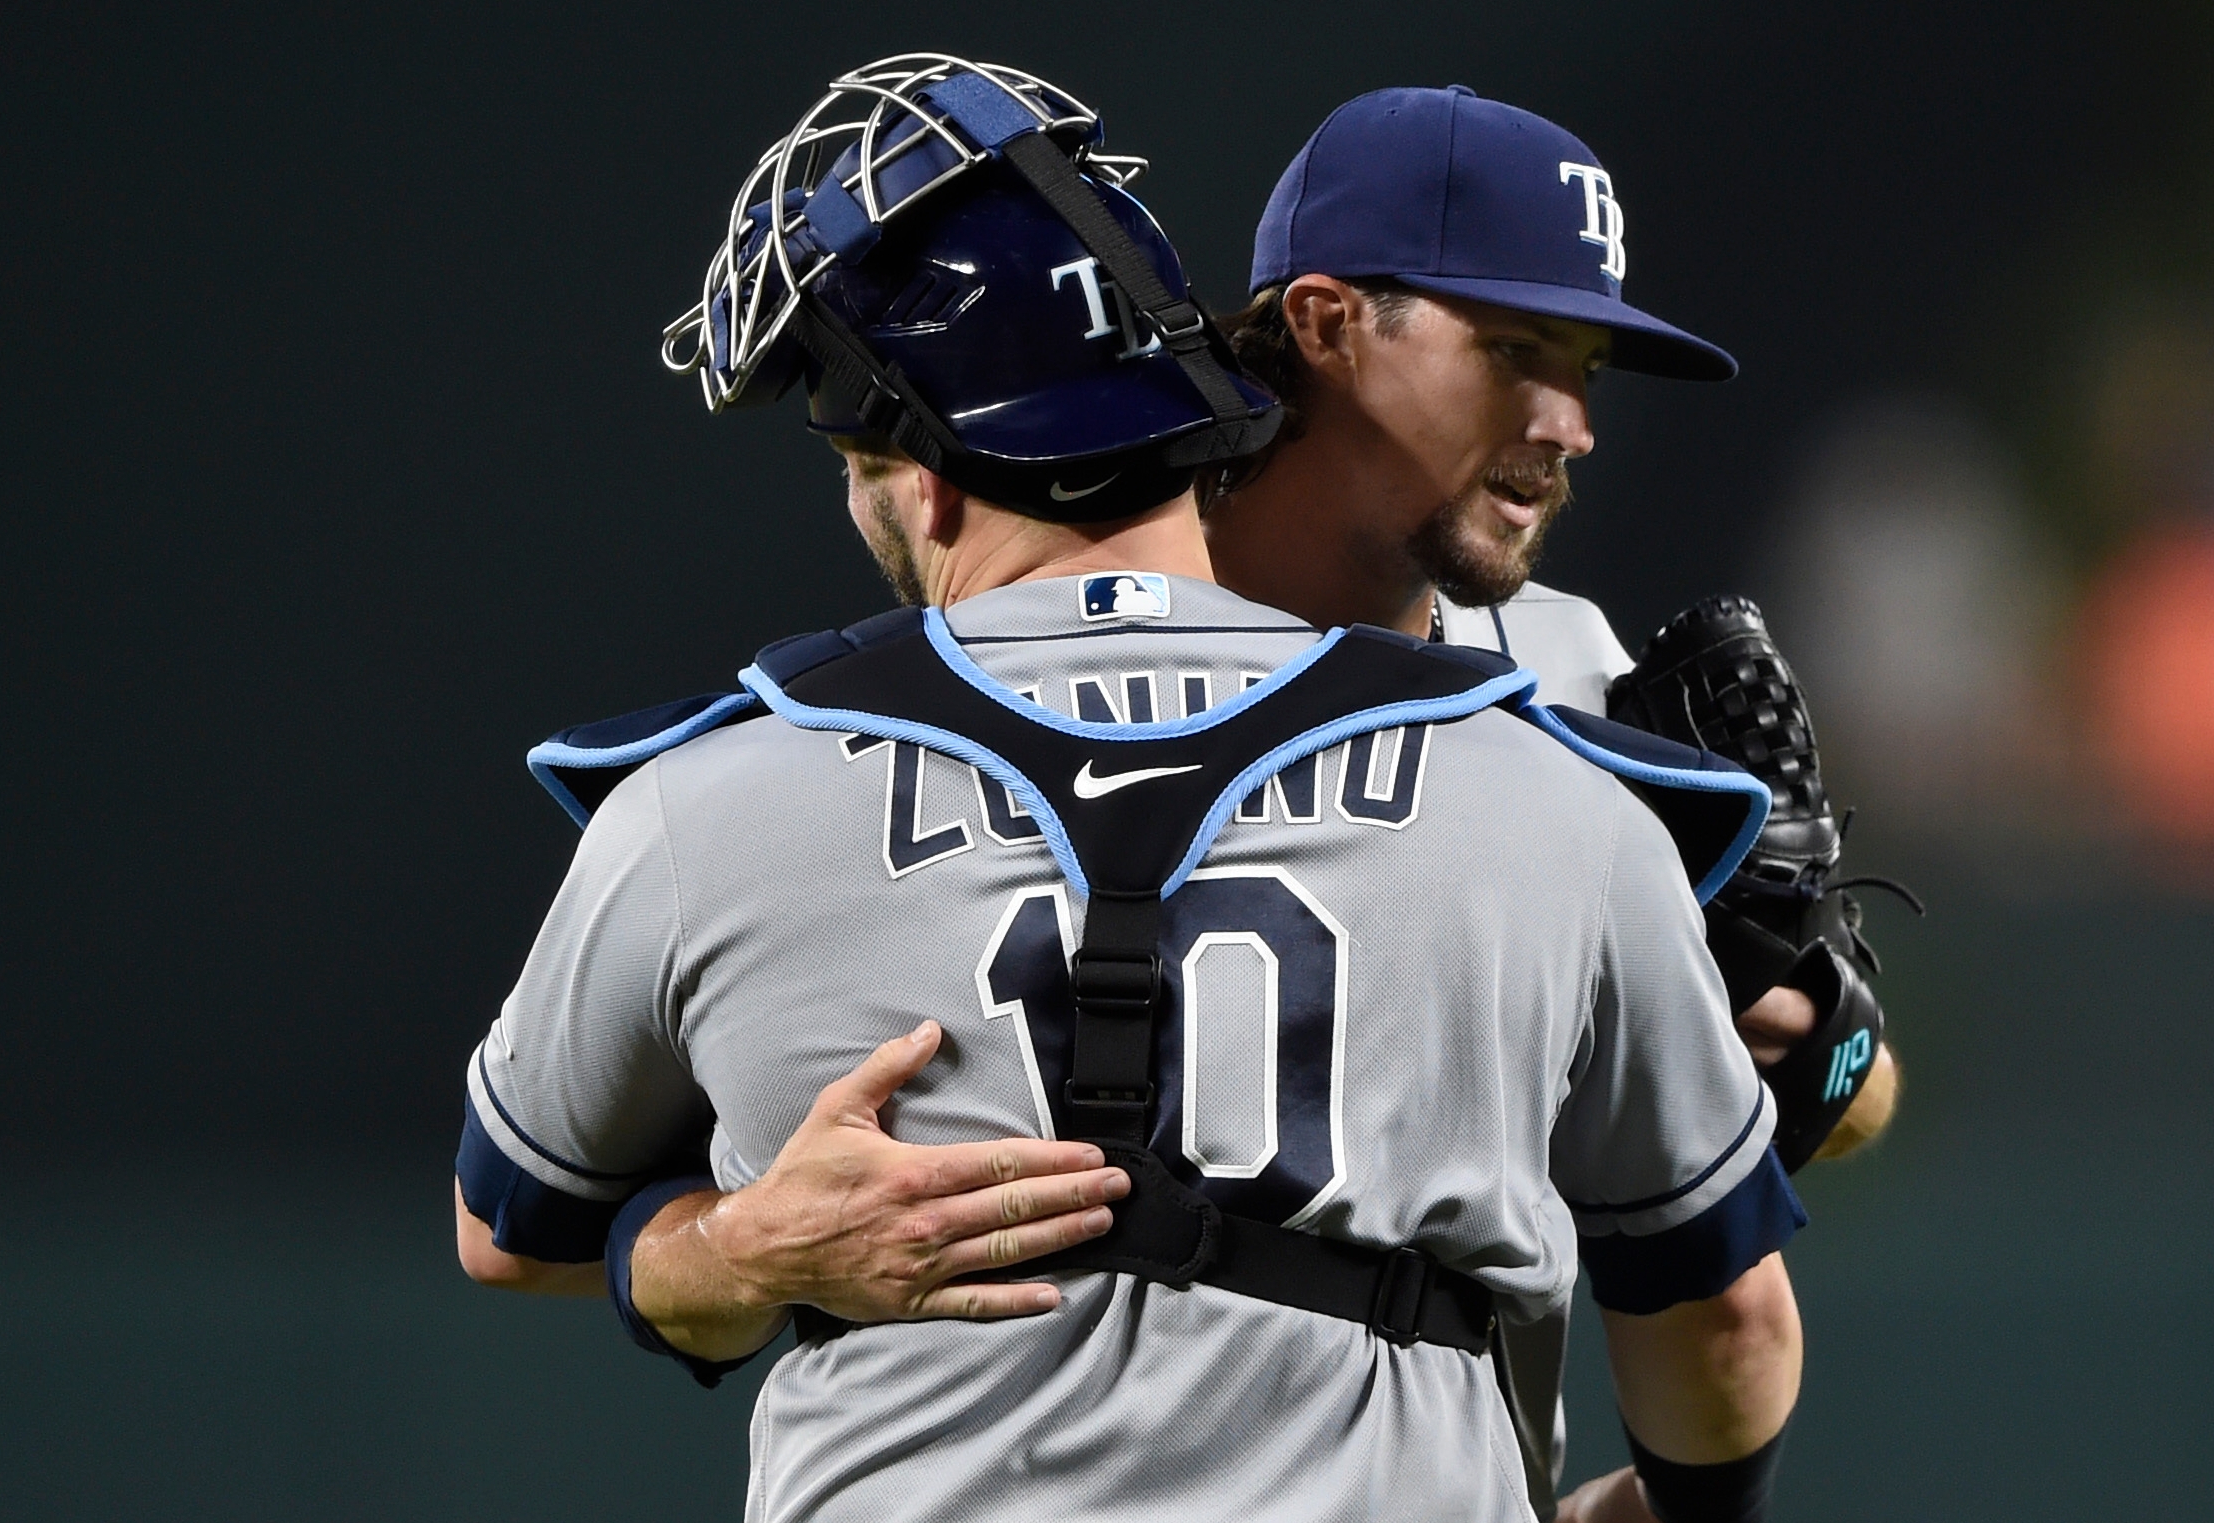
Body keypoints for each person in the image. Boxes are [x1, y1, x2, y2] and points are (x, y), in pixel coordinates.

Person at [457, 57, 1801, 1523]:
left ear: (926, 479)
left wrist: (738, 1257)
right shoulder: (1564, 794)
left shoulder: (707, 805)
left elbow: (512, 1228)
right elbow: (1723, 1317)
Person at [1200, 86, 1908, 1516]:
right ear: (1329, 322)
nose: (1568, 423)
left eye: (1585, 365)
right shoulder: (1096, 642)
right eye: (1514, 349)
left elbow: (1852, 1101)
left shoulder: (1568, 668)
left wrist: (1804, 1020)